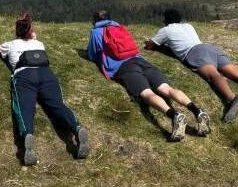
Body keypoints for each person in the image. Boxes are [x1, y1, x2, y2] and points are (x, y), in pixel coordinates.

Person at [144, 8, 238, 123]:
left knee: (214, 75)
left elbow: (151, 45)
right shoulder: (188, 26)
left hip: (195, 53)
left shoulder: (166, 30)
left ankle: (233, 99)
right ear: (180, 19)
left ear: (165, 20)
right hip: (210, 48)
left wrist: (151, 44)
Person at [84, 10, 210, 140]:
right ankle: (197, 111)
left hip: (125, 67)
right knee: (167, 89)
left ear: (95, 21)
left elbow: (92, 55)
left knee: (147, 94)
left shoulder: (96, 32)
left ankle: (174, 116)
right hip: (142, 61)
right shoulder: (120, 28)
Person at [0, 13, 89, 166]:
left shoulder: (11, 44)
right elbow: (34, 40)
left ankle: (28, 135)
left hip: (24, 76)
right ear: (31, 31)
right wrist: (34, 37)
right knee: (57, 105)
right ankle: (76, 127)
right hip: (46, 74)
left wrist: (0, 47)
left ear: (17, 31)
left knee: (24, 109)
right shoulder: (39, 44)